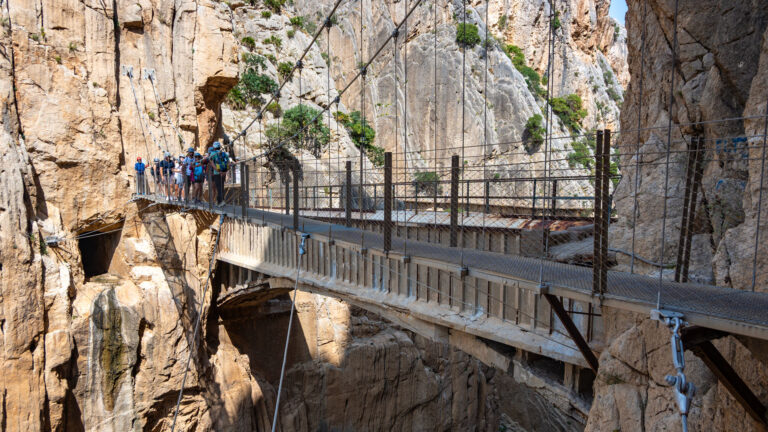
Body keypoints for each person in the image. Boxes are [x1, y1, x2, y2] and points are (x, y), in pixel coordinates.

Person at [207, 141, 229, 205]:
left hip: (217, 173)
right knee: (222, 186)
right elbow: (228, 162)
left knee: (218, 187)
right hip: (223, 172)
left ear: (214, 147)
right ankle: (220, 200)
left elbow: (211, 162)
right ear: (219, 147)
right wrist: (225, 171)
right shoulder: (224, 154)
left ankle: (220, 201)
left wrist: (217, 170)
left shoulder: (213, 153)